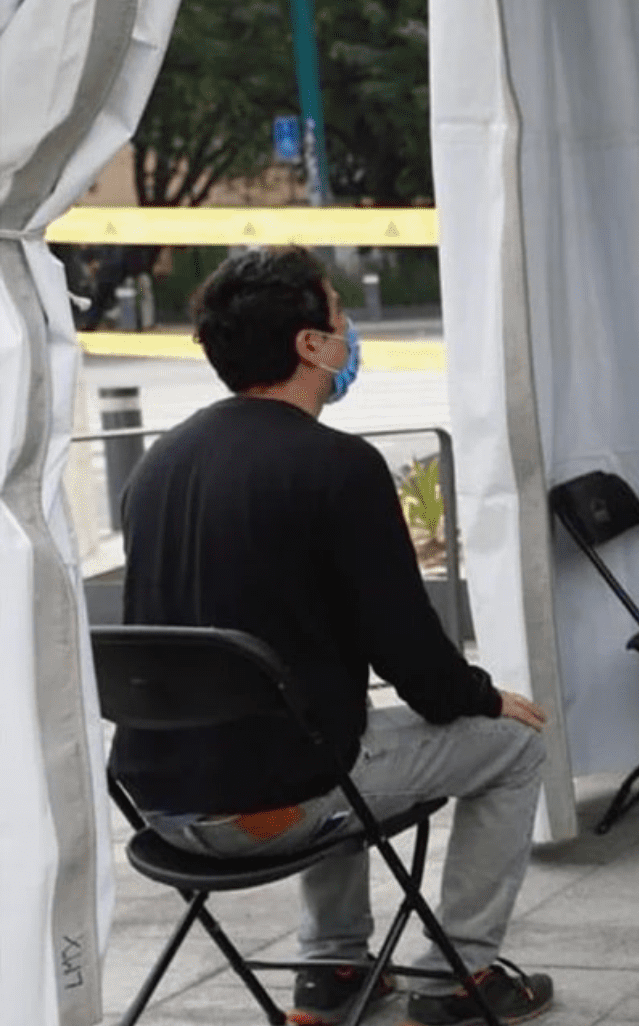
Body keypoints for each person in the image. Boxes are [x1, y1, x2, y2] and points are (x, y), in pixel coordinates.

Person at [110, 246, 556, 1026]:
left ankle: (334, 968)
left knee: (331, 730)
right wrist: (484, 697)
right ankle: (457, 976)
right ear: (310, 344)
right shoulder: (339, 465)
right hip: (270, 810)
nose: (351, 335)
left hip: (157, 803)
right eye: (342, 318)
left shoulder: (157, 466)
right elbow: (413, 659)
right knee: (513, 745)